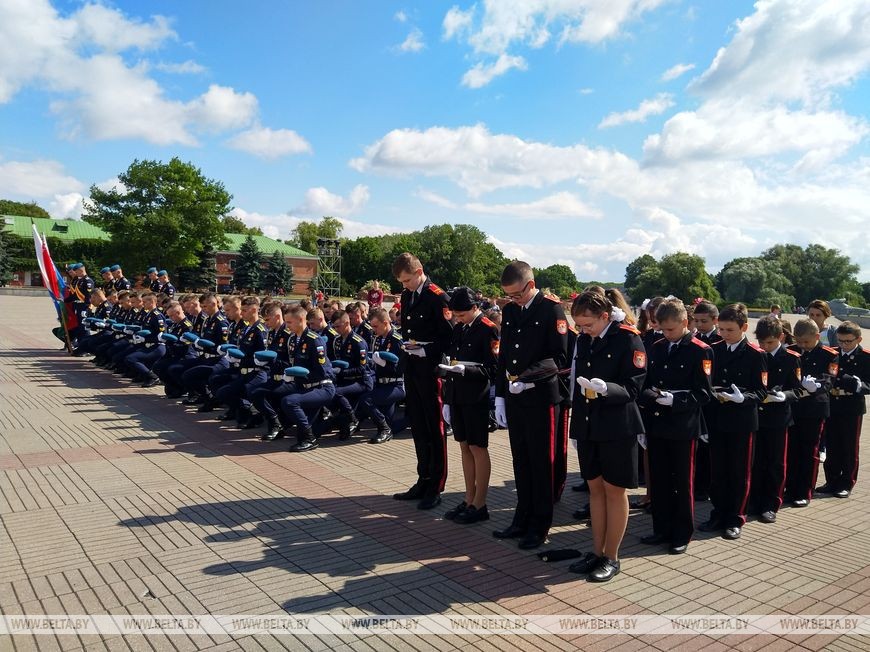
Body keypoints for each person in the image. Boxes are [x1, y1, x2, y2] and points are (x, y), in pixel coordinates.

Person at [566, 291, 645, 581]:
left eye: (588, 324)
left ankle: (612, 556)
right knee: (595, 489)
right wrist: (576, 426)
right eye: (579, 326)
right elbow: (577, 383)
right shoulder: (585, 339)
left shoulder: (628, 338)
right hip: (589, 423)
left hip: (617, 425)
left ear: (604, 316)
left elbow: (634, 387)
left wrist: (606, 389)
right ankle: (596, 551)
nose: (583, 330)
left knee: (614, 491)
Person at [492, 261, 569, 550]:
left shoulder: (551, 309)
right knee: (520, 459)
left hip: (541, 397)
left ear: (531, 286)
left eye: (516, 294)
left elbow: (559, 358)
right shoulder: (511, 311)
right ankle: (521, 517)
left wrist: (527, 378)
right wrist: (500, 394)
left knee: (541, 462)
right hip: (514, 396)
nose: (512, 300)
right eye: (508, 295)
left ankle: (540, 524)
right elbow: (505, 356)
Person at [638, 298, 712, 555]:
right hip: (658, 422)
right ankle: (662, 529)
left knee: (681, 481)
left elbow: (704, 393)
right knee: (658, 480)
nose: (666, 334)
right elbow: (644, 383)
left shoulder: (700, 350)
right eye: (662, 329)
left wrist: (676, 399)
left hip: (683, 426)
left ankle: (681, 532)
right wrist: (651, 397)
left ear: (684, 322)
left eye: (670, 329)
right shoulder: (657, 347)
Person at [391, 253, 453, 510]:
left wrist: (427, 350)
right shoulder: (408, 295)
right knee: (417, 425)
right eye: (401, 282)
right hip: (412, 367)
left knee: (434, 427)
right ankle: (423, 477)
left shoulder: (437, 297)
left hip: (431, 370)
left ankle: (436, 484)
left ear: (419, 272)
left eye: (407, 280)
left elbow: (450, 337)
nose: (404, 286)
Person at [699, 303, 767, 540]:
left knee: (739, 472)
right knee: (717, 471)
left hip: (742, 421)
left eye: (730, 330)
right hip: (717, 419)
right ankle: (718, 513)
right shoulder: (713, 350)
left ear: (744, 327)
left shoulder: (755, 355)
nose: (724, 334)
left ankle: (736, 517)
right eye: (722, 330)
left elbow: (760, 391)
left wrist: (743, 398)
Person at [439, 288, 500, 525]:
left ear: (475, 308)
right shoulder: (460, 328)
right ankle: (468, 498)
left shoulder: (488, 329)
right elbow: (452, 360)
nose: (458, 318)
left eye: (462, 314)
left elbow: (494, 368)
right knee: (464, 447)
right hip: (457, 394)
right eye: (456, 315)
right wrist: (448, 397)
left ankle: (480, 503)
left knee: (477, 448)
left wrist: (469, 370)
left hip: (476, 396)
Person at [751, 316, 803, 523]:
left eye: (770, 342)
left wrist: (784, 396)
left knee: (775, 463)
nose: (764, 346)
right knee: (756, 462)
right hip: (755, 416)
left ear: (781, 337)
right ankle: (754, 500)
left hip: (778, 418)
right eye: (761, 342)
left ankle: (771, 504)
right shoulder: (755, 355)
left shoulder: (791, 358)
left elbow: (798, 389)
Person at [786, 318, 838, 507]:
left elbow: (830, 379)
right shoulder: (791, 349)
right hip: (793, 407)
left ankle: (805, 491)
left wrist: (816, 386)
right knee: (791, 450)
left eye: (806, 342)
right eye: (799, 342)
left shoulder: (829, 354)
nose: (802, 346)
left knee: (809, 451)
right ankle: (790, 488)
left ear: (817, 336)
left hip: (814, 409)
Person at [819, 322, 870, 498]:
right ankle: (831, 480)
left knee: (849, 446)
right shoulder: (832, 353)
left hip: (851, 406)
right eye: (841, 341)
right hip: (832, 403)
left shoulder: (865, 357)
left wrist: (859, 385)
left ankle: (846, 483)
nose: (844, 345)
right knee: (832, 444)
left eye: (848, 341)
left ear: (858, 339)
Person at [280, 304, 336, 452]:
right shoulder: (294, 339)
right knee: (301, 434)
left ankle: (311, 439)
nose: (287, 325)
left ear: (300, 320)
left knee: (289, 402)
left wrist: (298, 373)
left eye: (289, 322)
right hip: (306, 386)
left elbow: (322, 372)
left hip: (322, 386)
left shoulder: (314, 340)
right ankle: (321, 426)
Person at [358, 307, 406, 443]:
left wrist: (385, 364)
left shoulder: (397, 340)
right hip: (382, 383)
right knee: (389, 421)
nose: (373, 329)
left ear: (386, 323)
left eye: (376, 326)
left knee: (366, 400)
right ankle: (388, 429)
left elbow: (401, 367)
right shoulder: (378, 339)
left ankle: (385, 429)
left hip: (396, 384)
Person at [690, 299, 722, 502]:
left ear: (715, 320)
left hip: (714, 401)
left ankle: (709, 485)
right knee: (698, 446)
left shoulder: (719, 340)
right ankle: (698, 484)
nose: (700, 325)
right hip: (697, 400)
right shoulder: (693, 340)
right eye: (697, 320)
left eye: (704, 321)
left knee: (711, 446)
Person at [326, 309, 374, 440]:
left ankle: (353, 419)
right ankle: (339, 419)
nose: (335, 329)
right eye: (333, 326)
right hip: (345, 379)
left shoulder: (358, 342)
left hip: (361, 381)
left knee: (336, 392)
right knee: (327, 390)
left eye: (338, 326)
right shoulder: (337, 341)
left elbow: (362, 369)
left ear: (347, 323)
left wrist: (342, 371)